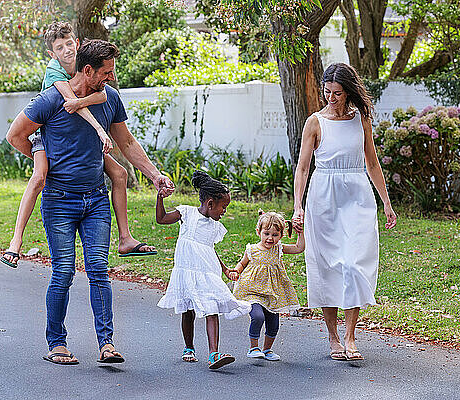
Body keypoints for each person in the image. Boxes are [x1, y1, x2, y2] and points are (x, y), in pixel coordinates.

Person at [6, 39, 174, 365]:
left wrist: (155, 175)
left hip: (96, 200)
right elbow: (16, 135)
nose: (111, 78)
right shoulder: (52, 99)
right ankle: (56, 343)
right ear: (87, 70)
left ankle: (106, 344)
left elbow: (126, 141)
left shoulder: (109, 98)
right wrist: (46, 161)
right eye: (106, 72)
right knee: (64, 271)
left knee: (99, 270)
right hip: (59, 202)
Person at [0, 22, 155, 269]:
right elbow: (72, 102)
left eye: (70, 43)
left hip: (86, 146)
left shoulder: (87, 71)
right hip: (46, 137)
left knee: (120, 173)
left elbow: (102, 98)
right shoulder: (54, 73)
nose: (67, 50)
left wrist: (155, 175)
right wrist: (50, 157)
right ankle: (15, 241)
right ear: (51, 54)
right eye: (59, 47)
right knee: (39, 177)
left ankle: (125, 238)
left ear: (78, 43)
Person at [292, 63, 397, 362]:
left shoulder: (360, 119)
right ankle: (333, 337)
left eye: (337, 93)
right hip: (324, 196)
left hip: (357, 194)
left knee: (354, 264)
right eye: (327, 92)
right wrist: (298, 206)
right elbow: (302, 168)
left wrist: (386, 203)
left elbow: (373, 164)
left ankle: (351, 336)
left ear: (349, 91)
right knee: (328, 266)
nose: (331, 98)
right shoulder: (314, 122)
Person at [156, 170, 251, 369]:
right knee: (188, 310)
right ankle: (189, 347)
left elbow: (210, 248)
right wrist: (160, 198)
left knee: (212, 308)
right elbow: (161, 219)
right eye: (223, 207)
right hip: (186, 270)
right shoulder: (186, 213)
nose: (224, 211)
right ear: (209, 203)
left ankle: (213, 354)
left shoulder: (215, 226)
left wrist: (225, 269)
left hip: (207, 272)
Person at [229, 211, 304, 362]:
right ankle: (253, 348)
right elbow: (242, 263)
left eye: (275, 235)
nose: (270, 238)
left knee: (274, 322)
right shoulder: (252, 249)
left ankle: (267, 349)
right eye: (266, 233)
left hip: (272, 292)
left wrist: (300, 233)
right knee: (257, 316)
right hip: (251, 291)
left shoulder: (279, 249)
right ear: (259, 232)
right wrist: (236, 271)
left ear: (281, 235)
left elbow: (299, 248)